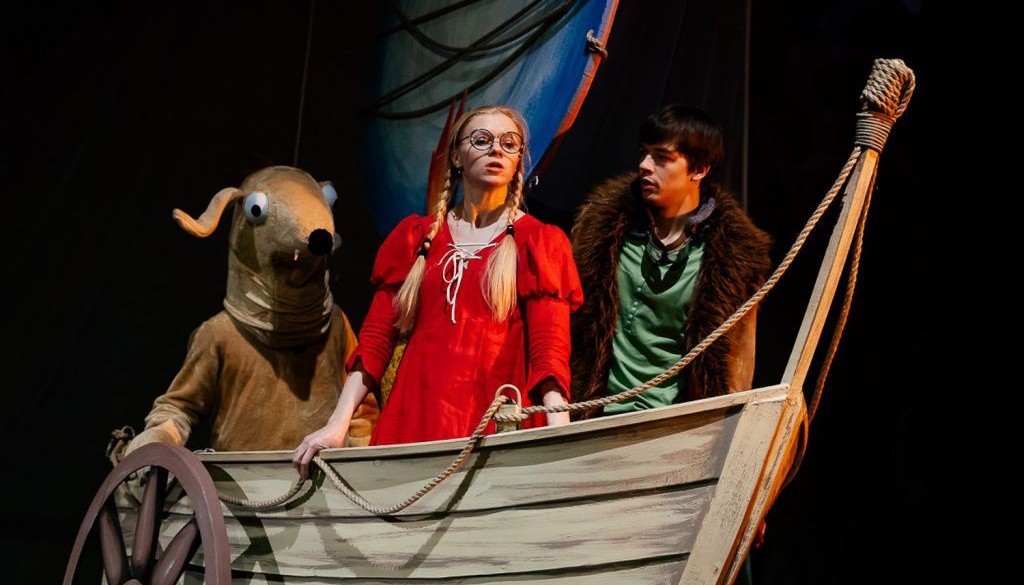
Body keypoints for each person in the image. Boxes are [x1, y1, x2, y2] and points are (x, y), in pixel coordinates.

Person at [293, 105, 583, 478]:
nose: (496, 150)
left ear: (517, 163)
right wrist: (338, 425)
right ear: (457, 157)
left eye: (509, 144)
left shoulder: (539, 243)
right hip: (415, 419)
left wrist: (561, 435)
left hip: (494, 424)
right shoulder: (415, 238)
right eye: (482, 140)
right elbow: (376, 342)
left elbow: (549, 352)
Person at [570, 104, 772, 418]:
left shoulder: (734, 258)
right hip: (592, 416)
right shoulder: (602, 231)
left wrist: (724, 425)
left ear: (699, 170)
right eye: (644, 154)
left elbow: (737, 364)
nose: (645, 166)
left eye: (662, 157)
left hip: (672, 424)